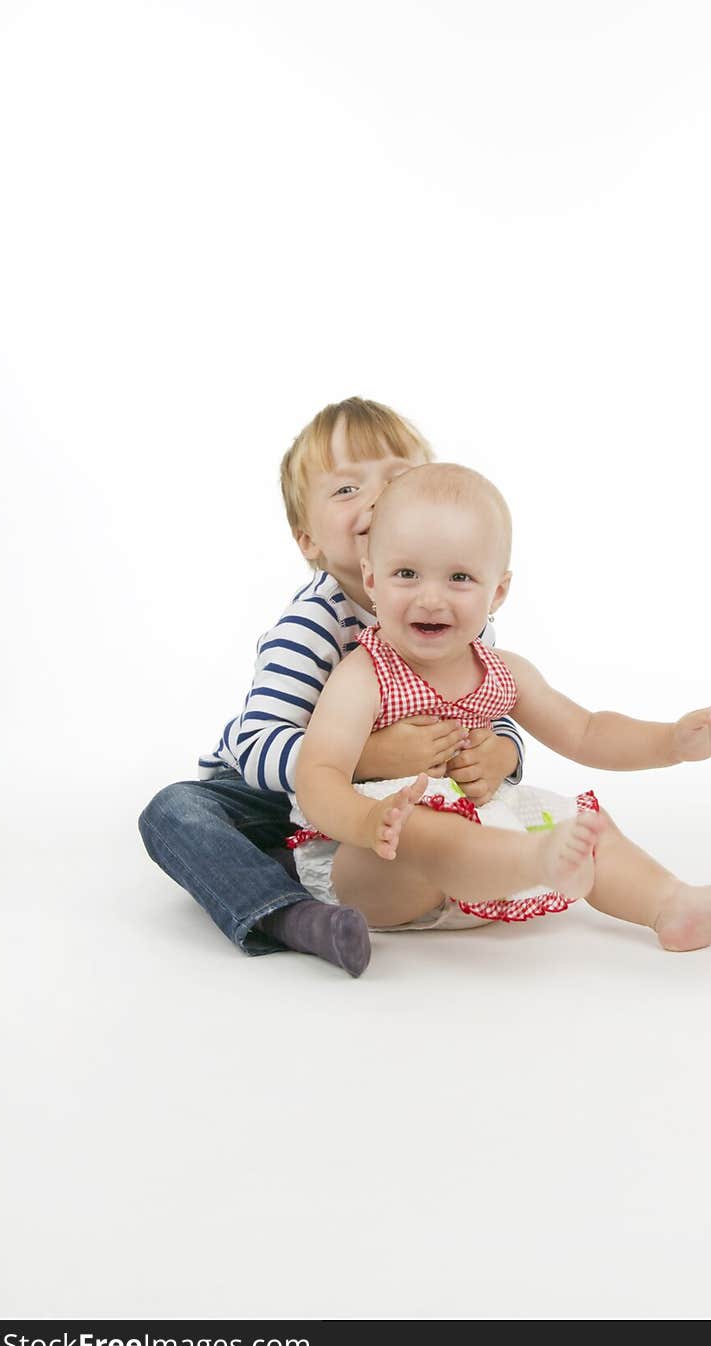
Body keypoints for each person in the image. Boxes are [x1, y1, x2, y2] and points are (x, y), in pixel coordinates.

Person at [291, 463, 711, 950]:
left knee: (589, 828)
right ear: (371, 580)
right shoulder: (364, 675)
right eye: (407, 574)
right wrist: (367, 822)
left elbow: (587, 731)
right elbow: (318, 776)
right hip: (377, 867)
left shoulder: (504, 671)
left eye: (459, 577)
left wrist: (672, 741)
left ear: (497, 592)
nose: (431, 598)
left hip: (481, 846)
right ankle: (532, 861)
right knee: (427, 831)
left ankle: (672, 905)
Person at [138, 399, 526, 976]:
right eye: (347, 490)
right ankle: (284, 912)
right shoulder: (312, 626)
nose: (375, 498)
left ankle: (307, 865)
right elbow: (257, 744)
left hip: (373, 803)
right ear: (308, 541)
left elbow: (490, 706)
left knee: (462, 818)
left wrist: (502, 752)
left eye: (398, 479)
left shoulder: (456, 615)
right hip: (268, 793)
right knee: (173, 812)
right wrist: (364, 758)